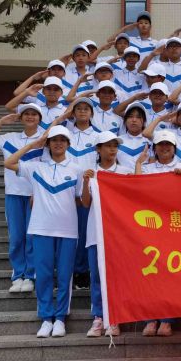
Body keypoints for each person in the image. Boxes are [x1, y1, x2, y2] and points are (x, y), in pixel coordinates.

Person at [5, 125, 84, 338]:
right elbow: (9, 162)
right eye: (54, 140)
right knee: (44, 275)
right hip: (40, 229)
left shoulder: (77, 170)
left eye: (62, 140)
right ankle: (46, 318)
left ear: (68, 144)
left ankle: (60, 319)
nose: (58, 143)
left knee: (65, 276)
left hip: (67, 231)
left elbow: (79, 199)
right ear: (48, 144)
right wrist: (33, 145)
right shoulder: (35, 167)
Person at [0, 104, 44, 293]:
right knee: (16, 237)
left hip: (35, 195)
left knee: (31, 237)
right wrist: (1, 121)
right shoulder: (10, 138)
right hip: (13, 194)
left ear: (40, 118)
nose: (30, 117)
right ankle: (18, 275)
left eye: (34, 114)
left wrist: (38, 191)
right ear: (20, 118)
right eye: (26, 114)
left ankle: (30, 275)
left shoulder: (45, 140)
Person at [135, 130, 181, 337]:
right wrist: (138, 164)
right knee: (151, 273)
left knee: (171, 273)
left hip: (174, 228)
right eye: (160, 145)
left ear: (174, 148)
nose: (164, 148)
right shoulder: (147, 168)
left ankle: (167, 320)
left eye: (168, 145)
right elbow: (135, 189)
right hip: (150, 229)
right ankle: (151, 318)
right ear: (155, 148)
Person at [81, 131, 133, 338]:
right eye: (108, 145)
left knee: (117, 277)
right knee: (96, 276)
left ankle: (115, 318)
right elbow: (85, 203)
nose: (112, 149)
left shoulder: (125, 172)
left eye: (114, 145)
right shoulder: (91, 172)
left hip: (118, 234)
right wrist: (85, 182)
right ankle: (99, 317)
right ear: (98, 149)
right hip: (96, 232)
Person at [63, 98, 100, 291]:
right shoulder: (65, 136)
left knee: (85, 234)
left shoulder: (98, 136)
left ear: (92, 113)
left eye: (86, 109)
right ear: (73, 112)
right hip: (64, 194)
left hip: (87, 195)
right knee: (68, 236)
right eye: (79, 109)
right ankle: (66, 272)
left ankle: (82, 271)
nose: (83, 111)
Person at [117, 102, 152, 168]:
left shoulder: (150, 141)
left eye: (138, 117)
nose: (134, 120)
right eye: (130, 116)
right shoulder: (117, 141)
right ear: (125, 120)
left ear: (144, 121)